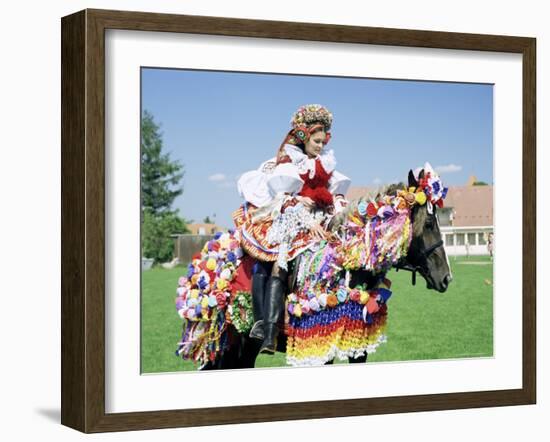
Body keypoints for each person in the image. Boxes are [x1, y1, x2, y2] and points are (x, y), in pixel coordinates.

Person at [233, 104, 351, 354]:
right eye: (316, 141)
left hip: (320, 219)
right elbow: (282, 197)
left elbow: (334, 193)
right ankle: (268, 329)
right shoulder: (287, 162)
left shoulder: (325, 164)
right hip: (291, 219)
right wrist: (300, 205)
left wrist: (338, 208)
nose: (320, 146)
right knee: (276, 263)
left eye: (323, 141)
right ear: (304, 137)